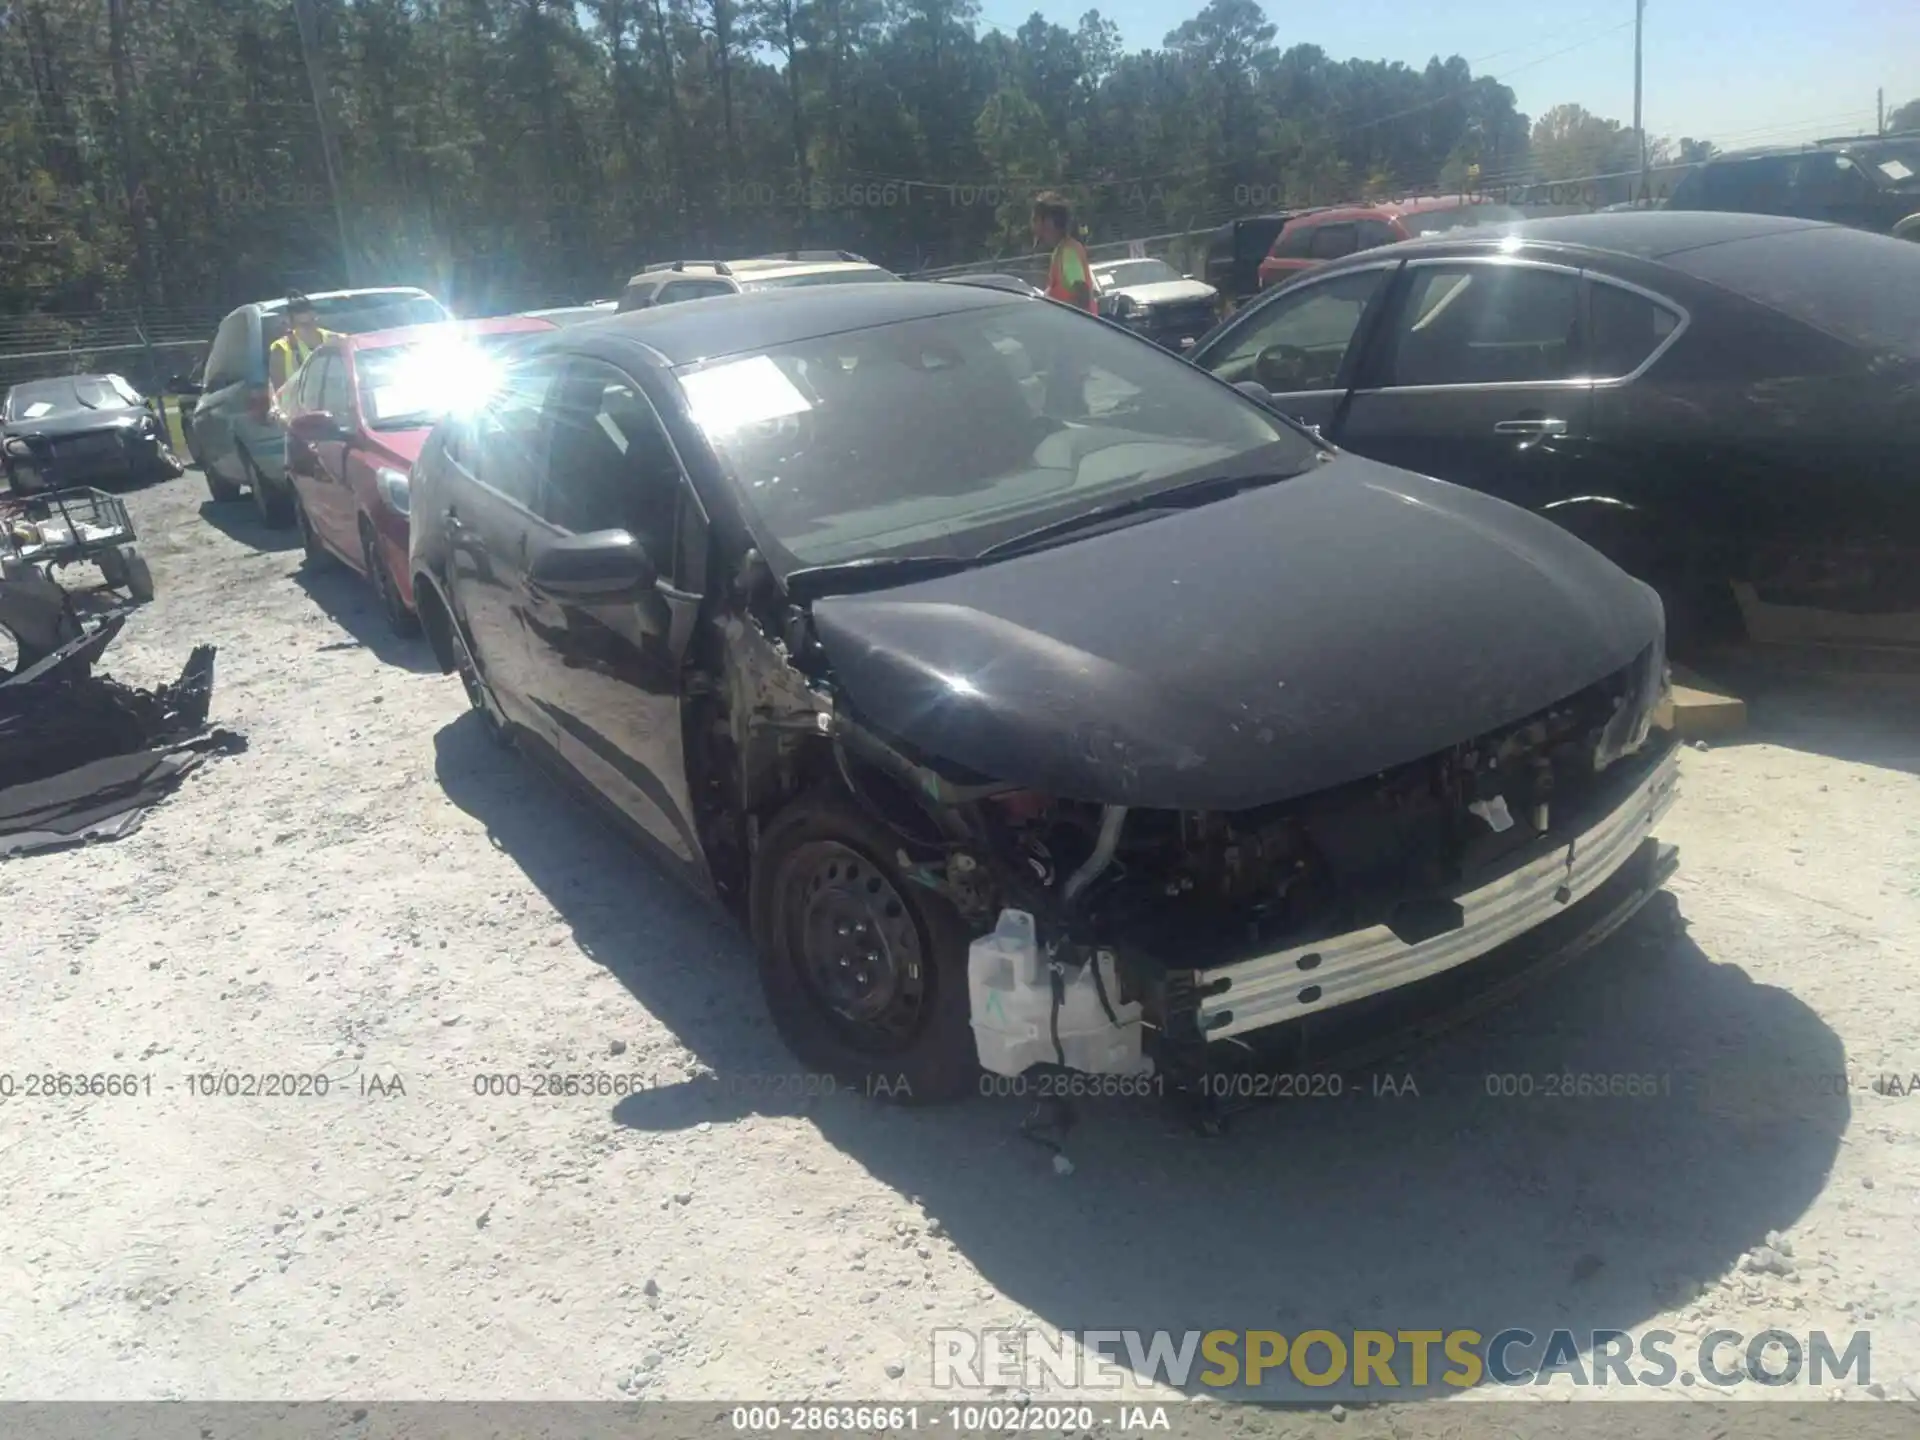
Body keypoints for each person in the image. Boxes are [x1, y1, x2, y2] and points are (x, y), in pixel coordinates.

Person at [1031, 191, 1096, 315]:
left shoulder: (1068, 252)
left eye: (1035, 219)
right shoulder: (1060, 251)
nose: (1033, 225)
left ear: (1049, 222)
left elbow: (1082, 297)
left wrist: (1059, 313)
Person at [268, 293, 338, 399]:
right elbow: (279, 395)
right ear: (291, 324)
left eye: (311, 323)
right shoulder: (281, 349)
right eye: (303, 325)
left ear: (316, 316)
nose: (308, 329)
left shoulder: (336, 340)